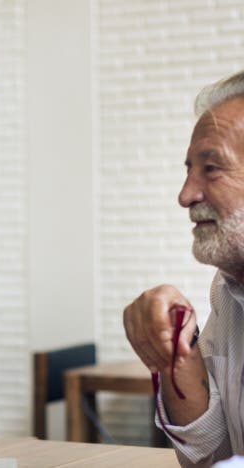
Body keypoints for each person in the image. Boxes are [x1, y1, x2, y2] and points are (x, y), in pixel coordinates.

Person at [123, 70, 244, 467]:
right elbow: (210, 458)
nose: (186, 194)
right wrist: (177, 351)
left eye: (211, 168)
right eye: (188, 170)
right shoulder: (229, 290)